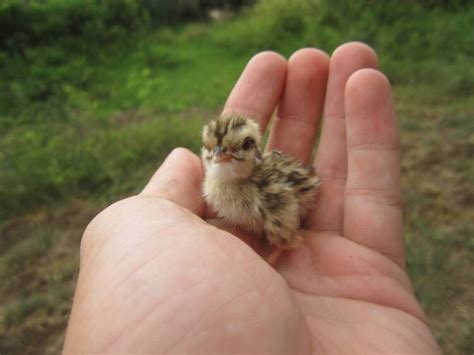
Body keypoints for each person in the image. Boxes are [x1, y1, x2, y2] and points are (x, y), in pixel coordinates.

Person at [63, 42, 442, 354]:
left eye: (234, 149)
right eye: (212, 150)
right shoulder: (218, 181)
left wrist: (280, 244)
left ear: (252, 150)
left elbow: (287, 226)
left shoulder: (265, 193)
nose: (218, 157)